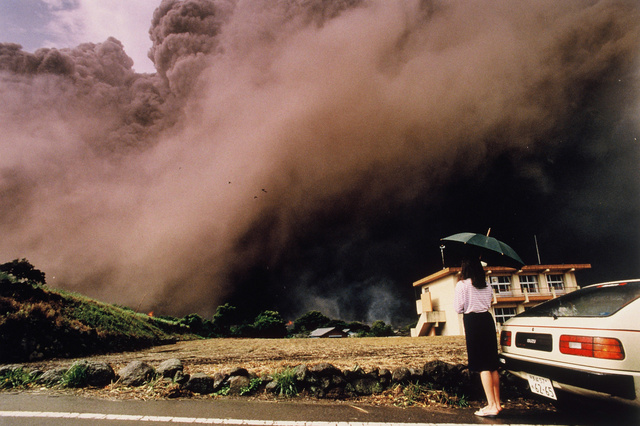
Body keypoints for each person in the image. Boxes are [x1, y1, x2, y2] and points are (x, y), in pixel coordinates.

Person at [453, 257, 501, 417]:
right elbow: (489, 303)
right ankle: (497, 403)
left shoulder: (462, 285)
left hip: (473, 321)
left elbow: (458, 308)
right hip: (487, 320)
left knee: (482, 366)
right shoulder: (487, 285)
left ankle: (491, 405)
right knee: (492, 365)